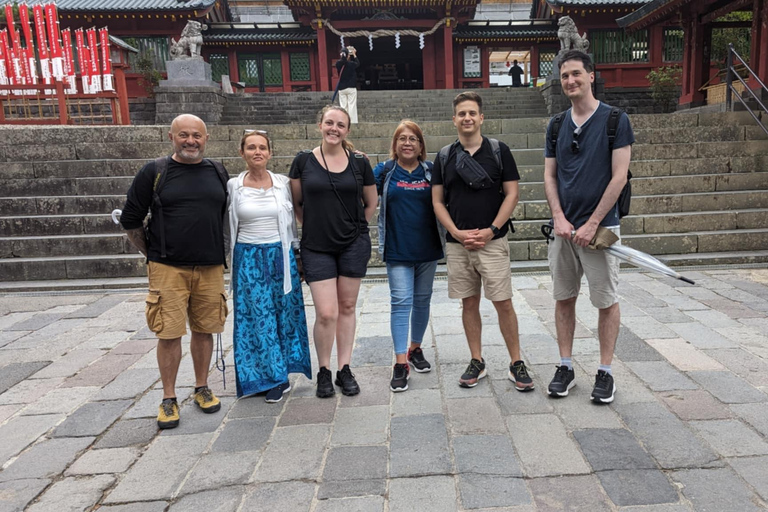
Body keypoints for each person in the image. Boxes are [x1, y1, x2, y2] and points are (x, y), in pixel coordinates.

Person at [120, 114, 228, 429]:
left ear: (206, 138)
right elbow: (131, 218)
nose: (190, 141)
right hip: (167, 267)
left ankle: (201, 386)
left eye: (196, 135)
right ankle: (168, 397)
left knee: (205, 328)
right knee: (169, 333)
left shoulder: (217, 172)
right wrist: (152, 254)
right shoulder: (154, 172)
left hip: (209, 265)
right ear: (171, 137)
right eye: (184, 135)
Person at [543, 50, 634, 404]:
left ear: (591, 76)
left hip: (601, 229)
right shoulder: (556, 124)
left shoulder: (615, 121)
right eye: (565, 75)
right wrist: (559, 217)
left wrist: (593, 223)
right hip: (563, 230)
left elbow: (619, 177)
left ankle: (605, 371)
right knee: (563, 298)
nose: (570, 81)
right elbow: (550, 176)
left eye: (577, 74)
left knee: (606, 301)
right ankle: (565, 365)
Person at [431, 91, 534, 391]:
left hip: (493, 241)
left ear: (481, 117)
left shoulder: (499, 151)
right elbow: (437, 201)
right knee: (469, 302)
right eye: (461, 113)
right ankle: (477, 359)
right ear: (454, 119)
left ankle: (516, 361)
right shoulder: (444, 156)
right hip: (458, 244)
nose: (467, 118)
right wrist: (457, 232)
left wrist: (491, 229)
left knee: (503, 302)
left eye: (472, 113)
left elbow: (512, 194)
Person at [289, 105, 378, 398]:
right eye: (329, 123)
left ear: (347, 130)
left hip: (353, 244)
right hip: (317, 246)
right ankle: (324, 370)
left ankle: (344, 368)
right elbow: (297, 203)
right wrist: (314, 226)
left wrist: (355, 228)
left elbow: (370, 203)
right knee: (327, 312)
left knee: (348, 307)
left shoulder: (359, 162)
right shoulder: (303, 161)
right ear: (320, 125)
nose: (334, 129)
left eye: (340, 125)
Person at [227, 130, 312, 403]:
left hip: (280, 254)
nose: (257, 152)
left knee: (283, 315)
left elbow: (294, 219)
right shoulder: (233, 185)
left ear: (270, 152)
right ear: (242, 152)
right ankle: (264, 376)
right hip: (248, 256)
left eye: (262, 147)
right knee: (255, 317)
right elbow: (227, 225)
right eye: (251, 147)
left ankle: (281, 375)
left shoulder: (282, 183)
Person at [373, 121, 444, 392]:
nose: (407, 143)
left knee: (423, 300)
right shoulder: (385, 171)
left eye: (413, 138)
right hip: (398, 248)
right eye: (402, 138)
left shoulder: (431, 172)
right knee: (401, 302)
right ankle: (400, 362)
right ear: (395, 144)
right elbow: (363, 190)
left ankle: (415, 348)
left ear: (421, 145)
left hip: (427, 247)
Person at [335, 46, 359, 124]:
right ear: (348, 55)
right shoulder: (351, 64)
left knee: (343, 105)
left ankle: (343, 121)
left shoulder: (338, 64)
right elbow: (358, 64)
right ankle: (353, 121)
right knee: (351, 105)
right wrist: (354, 54)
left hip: (342, 88)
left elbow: (342, 61)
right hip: (351, 87)